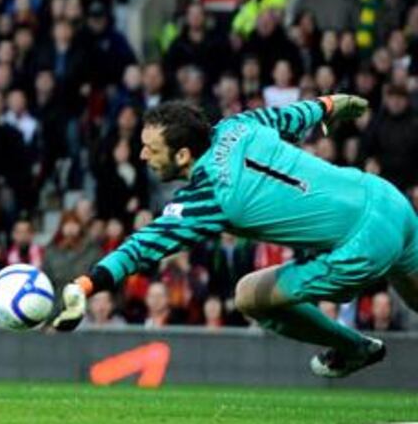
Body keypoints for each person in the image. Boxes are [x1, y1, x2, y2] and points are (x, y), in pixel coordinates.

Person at [54, 95, 418, 379]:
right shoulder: (239, 125)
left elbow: (141, 246)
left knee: (248, 296)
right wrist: (331, 104)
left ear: (182, 155)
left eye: (152, 148)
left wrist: (85, 285)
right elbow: (295, 115)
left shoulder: (208, 197)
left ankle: (354, 348)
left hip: (362, 249)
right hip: (387, 199)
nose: (142, 153)